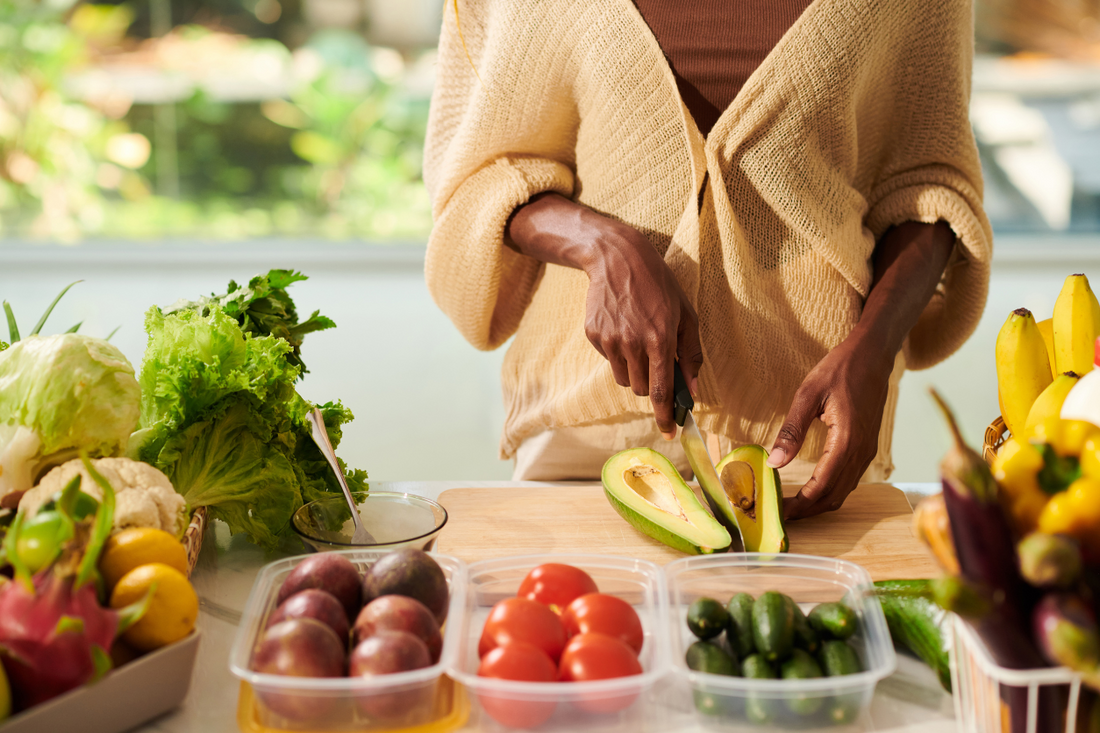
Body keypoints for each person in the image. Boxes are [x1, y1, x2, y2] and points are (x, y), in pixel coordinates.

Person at [423, 0, 992, 518]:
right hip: (588, 421)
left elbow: (928, 187)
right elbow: (482, 173)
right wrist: (601, 245)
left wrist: (873, 348)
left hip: (808, 429)